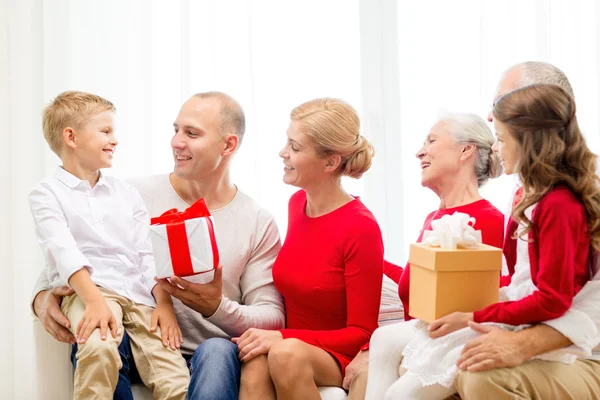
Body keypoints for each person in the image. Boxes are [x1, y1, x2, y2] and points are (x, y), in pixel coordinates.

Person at [31, 91, 286, 400]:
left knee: (217, 351)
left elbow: (272, 315)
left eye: (191, 133)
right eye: (175, 129)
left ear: (228, 145)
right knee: (103, 336)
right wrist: (41, 297)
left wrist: (216, 308)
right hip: (131, 331)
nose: (176, 142)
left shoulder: (257, 222)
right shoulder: (131, 193)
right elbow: (66, 253)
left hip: (205, 352)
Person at [28, 91, 190, 399]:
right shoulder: (46, 194)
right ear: (71, 137)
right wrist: (93, 301)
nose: (114, 140)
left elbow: (146, 253)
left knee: (175, 377)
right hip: (91, 292)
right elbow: (63, 251)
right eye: (105, 131)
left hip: (141, 298)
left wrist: (165, 303)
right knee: (99, 348)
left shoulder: (126, 193)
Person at [455, 62, 600, 400]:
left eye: (502, 103)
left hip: (588, 349)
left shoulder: (571, 198)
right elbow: (520, 282)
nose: (490, 119)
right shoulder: (528, 192)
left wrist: (523, 343)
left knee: (476, 375)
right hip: (542, 326)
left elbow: (559, 297)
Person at [233, 98, 384, 400]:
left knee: (285, 354)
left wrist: (282, 336)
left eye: (295, 147)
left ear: (330, 163)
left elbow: (361, 332)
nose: (283, 153)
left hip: (336, 353)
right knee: (255, 361)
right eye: (286, 142)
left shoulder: (361, 227)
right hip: (291, 346)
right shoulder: (297, 205)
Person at [360, 112, 504, 400]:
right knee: (381, 340)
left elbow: (493, 297)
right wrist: (368, 262)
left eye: (432, 141)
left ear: (466, 150)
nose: (420, 152)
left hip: (454, 337)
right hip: (420, 333)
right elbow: (425, 284)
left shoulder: (490, 221)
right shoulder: (435, 219)